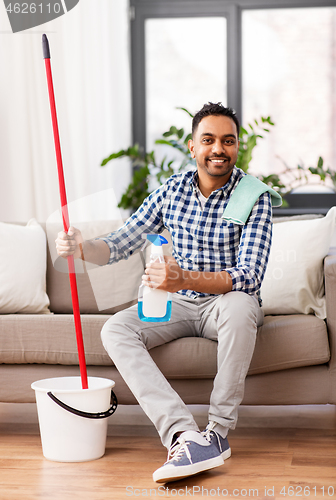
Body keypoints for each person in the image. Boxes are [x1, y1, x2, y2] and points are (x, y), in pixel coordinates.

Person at [56, 102, 273, 484]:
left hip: (226, 304)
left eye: (228, 141)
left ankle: (217, 434)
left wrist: (182, 277)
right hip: (178, 303)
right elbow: (122, 241)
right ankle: (183, 434)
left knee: (241, 305)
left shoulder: (255, 196)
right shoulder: (172, 190)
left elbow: (249, 276)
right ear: (193, 147)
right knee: (115, 329)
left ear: (238, 147)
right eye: (208, 140)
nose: (218, 149)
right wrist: (82, 247)